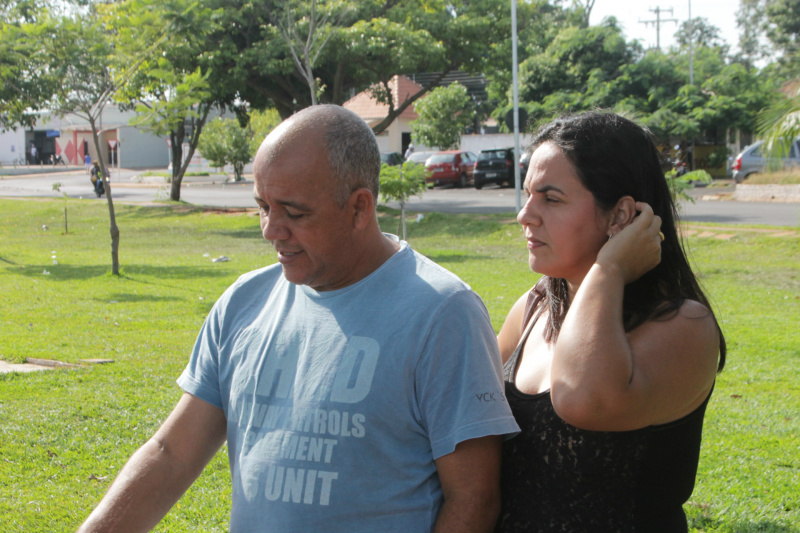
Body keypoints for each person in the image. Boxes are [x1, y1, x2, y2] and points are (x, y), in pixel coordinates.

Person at [77, 105, 518, 533]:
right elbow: (171, 453)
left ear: (360, 208)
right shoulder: (243, 304)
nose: (271, 229)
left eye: (294, 212)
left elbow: (475, 499)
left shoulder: (444, 314)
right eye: (263, 207)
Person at [494, 111, 726, 533]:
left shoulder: (684, 325)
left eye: (551, 198)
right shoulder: (533, 308)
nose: (525, 215)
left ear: (620, 216)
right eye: (528, 195)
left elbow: (583, 400)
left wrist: (608, 270)